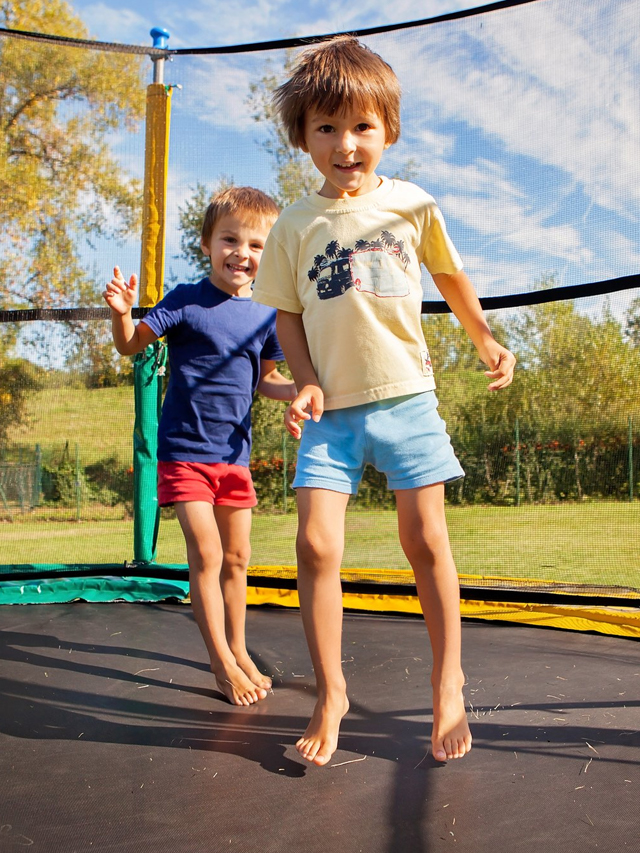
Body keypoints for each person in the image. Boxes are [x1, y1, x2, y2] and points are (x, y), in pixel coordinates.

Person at [252, 37, 516, 765]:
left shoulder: (412, 204)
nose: (346, 144)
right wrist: (303, 379)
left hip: (406, 399)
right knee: (314, 544)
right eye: (327, 129)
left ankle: (448, 679)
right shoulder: (295, 225)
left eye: (362, 126)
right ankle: (331, 690)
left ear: (388, 131)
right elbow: (287, 317)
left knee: (425, 540)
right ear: (303, 137)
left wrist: (486, 339)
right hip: (331, 412)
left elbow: (453, 277)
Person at [103, 186, 296, 707]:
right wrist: (123, 313)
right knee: (207, 553)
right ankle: (220, 663)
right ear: (208, 243)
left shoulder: (266, 314)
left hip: (235, 458)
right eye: (230, 239)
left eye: (256, 245)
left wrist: (301, 394)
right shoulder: (185, 300)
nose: (242, 253)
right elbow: (130, 344)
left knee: (237, 556)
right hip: (185, 453)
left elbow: (267, 381)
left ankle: (238, 648)